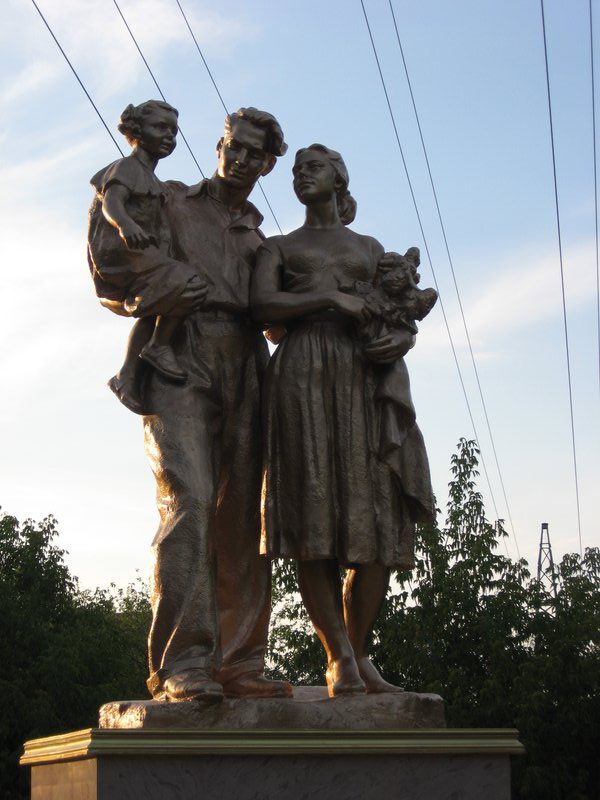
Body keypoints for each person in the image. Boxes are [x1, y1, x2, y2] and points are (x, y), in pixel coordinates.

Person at [251, 144, 436, 697]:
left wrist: (399, 338)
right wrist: (331, 297)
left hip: (363, 377)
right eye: (296, 170)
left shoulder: (370, 248)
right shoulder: (279, 247)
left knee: (374, 517)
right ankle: (337, 657)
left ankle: (356, 653)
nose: (302, 175)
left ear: (339, 177)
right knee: (313, 517)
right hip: (301, 374)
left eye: (314, 167)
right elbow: (262, 307)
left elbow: (399, 312)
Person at [141, 108, 292, 702]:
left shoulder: (262, 240)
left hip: (248, 360)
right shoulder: (172, 202)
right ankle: (183, 662)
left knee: (246, 518)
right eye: (235, 146)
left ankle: (239, 661)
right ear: (220, 145)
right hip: (181, 352)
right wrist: (159, 290)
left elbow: (281, 319)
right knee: (191, 500)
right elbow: (113, 262)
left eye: (256, 154)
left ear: (268, 165)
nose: (242, 159)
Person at [87, 100, 208, 414]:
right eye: (160, 127)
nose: (169, 136)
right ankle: (157, 346)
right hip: (121, 252)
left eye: (173, 131)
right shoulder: (127, 168)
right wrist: (125, 224)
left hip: (143, 254)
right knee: (189, 281)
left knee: (162, 301)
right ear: (138, 131)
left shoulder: (155, 182)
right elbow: (111, 202)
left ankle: (127, 377)